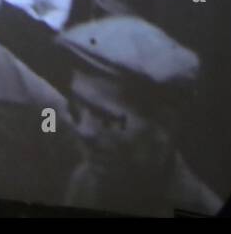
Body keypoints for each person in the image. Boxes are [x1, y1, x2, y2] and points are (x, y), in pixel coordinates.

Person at [57, 16, 221, 214]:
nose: (84, 130)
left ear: (164, 124)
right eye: (77, 109)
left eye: (106, 119)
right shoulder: (85, 182)